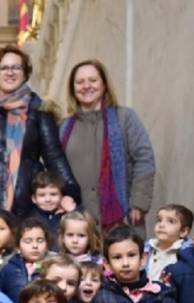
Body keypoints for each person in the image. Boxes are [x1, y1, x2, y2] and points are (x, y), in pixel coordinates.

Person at [0, 45, 80, 234]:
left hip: (26, 205)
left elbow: (54, 157)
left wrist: (71, 191)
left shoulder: (39, 112)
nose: (10, 72)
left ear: (25, 73)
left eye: (16, 67)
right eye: (4, 68)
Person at [61, 59, 155, 230]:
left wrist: (139, 203)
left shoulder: (125, 118)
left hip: (123, 217)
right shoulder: (63, 127)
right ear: (72, 89)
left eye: (93, 80)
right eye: (80, 82)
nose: (86, 86)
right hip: (78, 225)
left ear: (104, 84)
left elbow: (144, 159)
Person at [0, 217, 51, 303]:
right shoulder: (9, 270)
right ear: (18, 247)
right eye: (28, 241)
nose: (35, 246)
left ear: (47, 245)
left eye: (40, 241)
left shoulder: (52, 268)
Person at [144, 204, 194, 282]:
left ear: (183, 231)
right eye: (159, 220)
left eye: (170, 221)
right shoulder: (146, 248)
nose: (161, 225)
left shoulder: (188, 253)